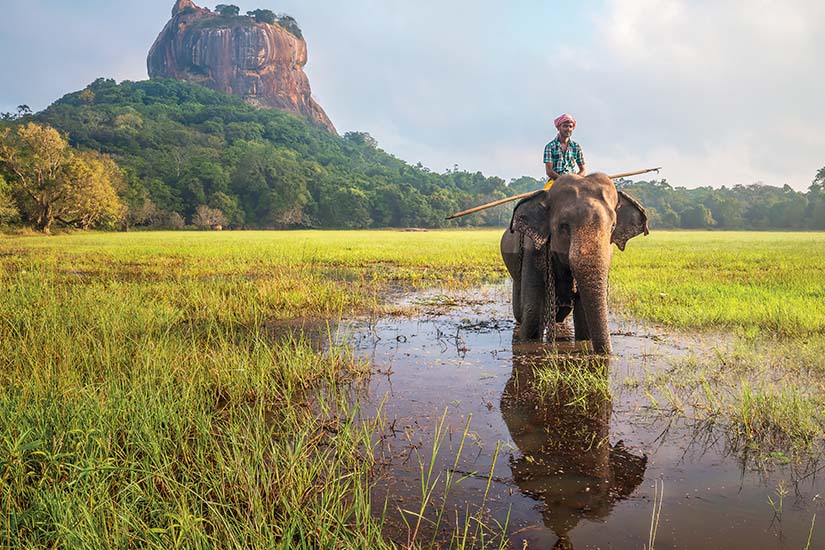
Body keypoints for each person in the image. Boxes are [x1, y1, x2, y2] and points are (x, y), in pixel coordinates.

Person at [544, 113, 586, 181]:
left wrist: (574, 179)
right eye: (565, 126)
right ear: (558, 127)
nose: (568, 129)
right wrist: (563, 180)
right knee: (546, 191)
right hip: (556, 180)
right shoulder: (550, 147)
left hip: (572, 181)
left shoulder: (576, 147)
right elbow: (549, 171)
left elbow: (583, 170)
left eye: (570, 126)